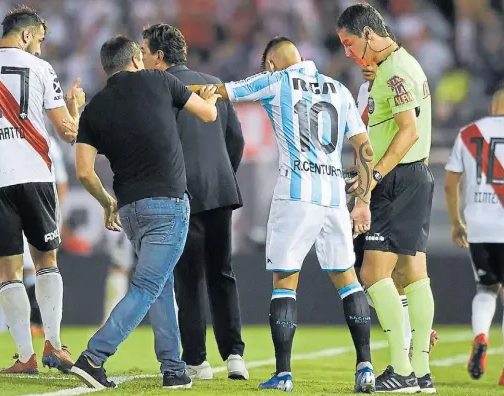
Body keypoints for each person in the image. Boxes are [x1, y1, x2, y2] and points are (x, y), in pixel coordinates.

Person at [189, 37, 376, 393]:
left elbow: (218, 91)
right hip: (335, 197)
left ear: (271, 64)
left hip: (296, 195)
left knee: (285, 284)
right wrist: (363, 199)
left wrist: (168, 87)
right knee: (348, 281)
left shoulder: (276, 81)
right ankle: (365, 367)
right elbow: (364, 148)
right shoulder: (339, 89)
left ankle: (284, 374)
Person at [69, 35, 220, 390]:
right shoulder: (160, 79)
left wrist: (108, 203)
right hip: (167, 204)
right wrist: (209, 98)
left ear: (106, 67)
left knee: (160, 285)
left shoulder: (96, 107)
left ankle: (173, 368)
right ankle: (94, 357)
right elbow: (209, 115)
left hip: (131, 211)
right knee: (147, 286)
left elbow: (83, 171)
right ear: (137, 58)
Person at [0, 6, 85, 374]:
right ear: (26, 35)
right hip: (35, 175)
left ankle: (26, 357)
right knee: (46, 262)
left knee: (8, 273)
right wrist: (77, 108)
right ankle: (55, 347)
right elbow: (69, 133)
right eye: (39, 40)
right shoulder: (42, 69)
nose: (40, 49)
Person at [140, 23, 248, 381]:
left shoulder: (158, 89)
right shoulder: (215, 83)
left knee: (189, 279)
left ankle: (198, 362)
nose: (141, 59)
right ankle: (235, 356)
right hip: (220, 192)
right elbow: (236, 141)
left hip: (182, 194)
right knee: (222, 273)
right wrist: (222, 175)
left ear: (159, 55)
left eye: (144, 53)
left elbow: (157, 146)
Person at [337, 3, 435, 393]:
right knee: (412, 275)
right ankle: (422, 372)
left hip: (397, 179)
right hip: (414, 176)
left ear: (367, 35)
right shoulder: (398, 66)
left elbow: (407, 131)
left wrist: (374, 176)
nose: (347, 52)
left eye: (348, 43)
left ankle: (401, 369)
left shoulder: (395, 70)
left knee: (373, 275)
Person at [444, 83, 504, 387]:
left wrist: (456, 222)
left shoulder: (469, 133)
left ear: (493, 107)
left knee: (486, 290)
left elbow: (450, 184)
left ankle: (480, 337)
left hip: (479, 227)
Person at [24, 135, 70, 337]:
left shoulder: (48, 141)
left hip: (44, 213)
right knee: (25, 268)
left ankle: (42, 322)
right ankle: (31, 321)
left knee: (43, 266)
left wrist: (55, 216)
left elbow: (61, 182)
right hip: (19, 211)